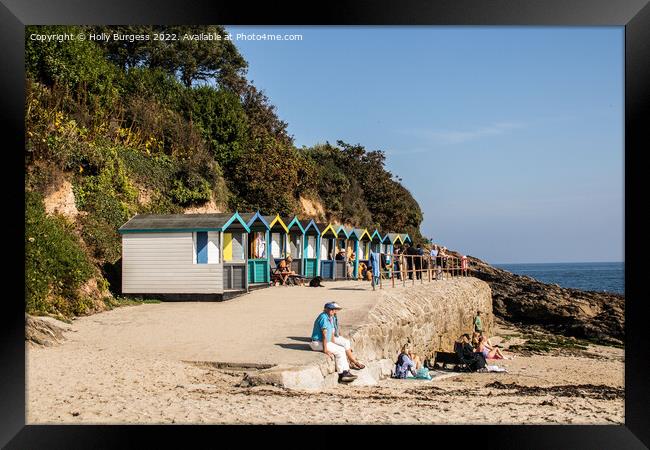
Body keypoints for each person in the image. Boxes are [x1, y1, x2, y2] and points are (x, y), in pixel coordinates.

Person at [310, 302, 360, 383]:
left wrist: (332, 343)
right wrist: (325, 349)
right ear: (326, 309)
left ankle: (346, 371)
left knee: (341, 349)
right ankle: (342, 374)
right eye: (331, 309)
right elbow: (324, 334)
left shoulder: (329, 317)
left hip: (321, 342)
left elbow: (331, 334)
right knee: (340, 351)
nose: (333, 311)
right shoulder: (324, 317)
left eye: (334, 309)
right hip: (317, 343)